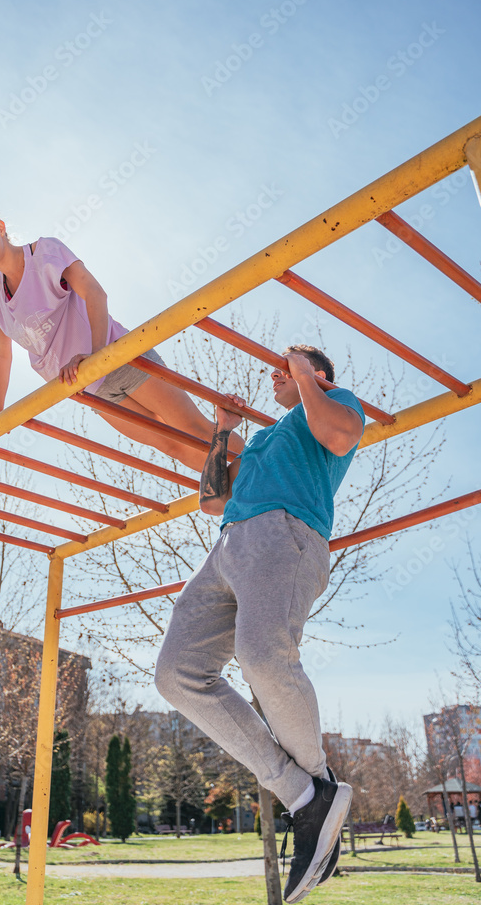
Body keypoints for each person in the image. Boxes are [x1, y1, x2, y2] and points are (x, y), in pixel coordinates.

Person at [155, 344, 365, 902]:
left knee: (264, 656)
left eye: (285, 370)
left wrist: (304, 372)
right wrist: (223, 432)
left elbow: (340, 436)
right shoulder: (267, 438)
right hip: (227, 546)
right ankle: (305, 795)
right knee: (176, 673)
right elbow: (211, 497)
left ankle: (316, 782)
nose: (274, 376)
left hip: (285, 535)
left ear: (315, 373)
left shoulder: (334, 403)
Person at [0, 199, 245, 470]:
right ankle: (240, 492)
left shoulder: (45, 253)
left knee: (193, 429)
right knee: (172, 446)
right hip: (92, 390)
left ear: (0, 227)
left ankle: (267, 468)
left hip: (117, 357)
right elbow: (2, 355)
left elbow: (95, 293)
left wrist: (95, 355)